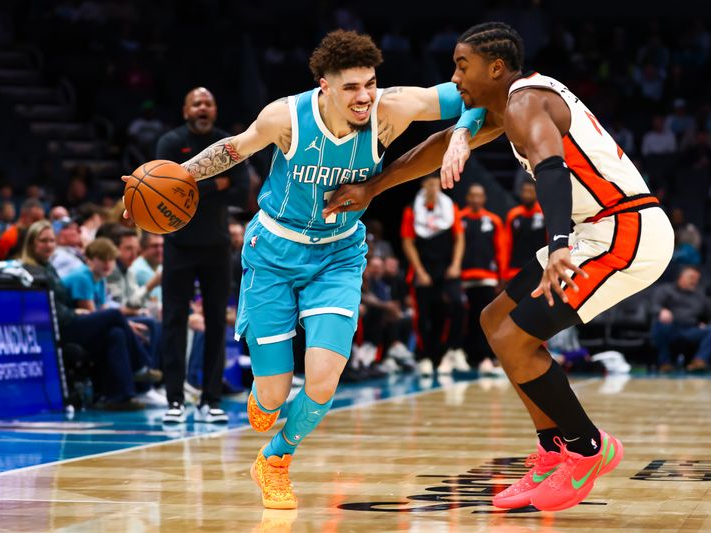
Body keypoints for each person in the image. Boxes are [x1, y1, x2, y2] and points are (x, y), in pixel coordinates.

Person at [123, 29, 484, 509]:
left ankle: (274, 461)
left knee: (321, 379)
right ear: (324, 85)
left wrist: (462, 132)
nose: (364, 96)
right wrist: (173, 178)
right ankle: (267, 400)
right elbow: (233, 148)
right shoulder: (286, 117)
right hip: (274, 253)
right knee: (271, 395)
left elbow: (476, 93)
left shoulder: (391, 110)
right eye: (351, 87)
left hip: (337, 255)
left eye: (370, 83)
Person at [325, 22, 674, 512]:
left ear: (495, 68)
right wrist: (372, 188)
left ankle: (587, 447)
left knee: (516, 338)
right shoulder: (507, 106)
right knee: (494, 321)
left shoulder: (525, 101)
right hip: (594, 230)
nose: (455, 76)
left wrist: (556, 245)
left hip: (624, 230)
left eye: (462, 66)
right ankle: (552, 450)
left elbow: (551, 168)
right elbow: (439, 145)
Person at [154, 87, 250, 426]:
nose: (203, 107)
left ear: (215, 109)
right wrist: (215, 185)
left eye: (208, 102)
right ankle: (175, 399)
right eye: (196, 102)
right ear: (185, 110)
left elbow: (241, 189)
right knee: (174, 322)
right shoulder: (169, 143)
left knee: (215, 324)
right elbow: (164, 189)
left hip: (216, 246)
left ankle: (211, 400)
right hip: (178, 244)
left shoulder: (229, 144)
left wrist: (190, 187)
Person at [19, 221, 158, 410]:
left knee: (115, 333)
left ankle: (120, 396)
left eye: (52, 240)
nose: (49, 245)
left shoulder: (49, 267)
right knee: (114, 316)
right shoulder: (33, 270)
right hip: (61, 326)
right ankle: (141, 366)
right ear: (31, 243)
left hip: (70, 319)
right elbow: (52, 308)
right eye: (43, 240)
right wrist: (74, 311)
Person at [401, 175, 467, 376]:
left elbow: (459, 238)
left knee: (457, 305)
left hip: (447, 267)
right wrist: (419, 271)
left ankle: (449, 351)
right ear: (422, 185)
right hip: (424, 268)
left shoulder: (450, 206)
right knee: (423, 315)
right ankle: (425, 357)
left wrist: (456, 264)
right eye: (429, 183)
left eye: (436, 183)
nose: (433, 187)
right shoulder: (412, 208)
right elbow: (407, 241)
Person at [459, 183, 505, 375]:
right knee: (465, 320)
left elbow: (501, 249)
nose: (476, 199)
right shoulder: (459, 219)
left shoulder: (493, 220)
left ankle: (486, 357)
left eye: (479, 196)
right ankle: (467, 356)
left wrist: (501, 277)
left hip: (487, 278)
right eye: (472, 195)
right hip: (463, 278)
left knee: (486, 319)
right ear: (467, 198)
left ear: (484, 198)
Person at [651, 265, 711, 372]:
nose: (695, 281)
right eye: (692, 278)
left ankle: (698, 361)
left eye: (697, 279)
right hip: (672, 327)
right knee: (658, 326)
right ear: (681, 277)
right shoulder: (666, 290)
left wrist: (704, 323)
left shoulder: (700, 294)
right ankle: (665, 363)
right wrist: (661, 311)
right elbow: (653, 306)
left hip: (691, 329)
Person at [503, 180, 546, 280]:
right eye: (524, 191)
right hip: (516, 269)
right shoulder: (513, 214)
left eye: (530, 191)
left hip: (539, 267)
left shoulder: (544, 214)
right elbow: (506, 244)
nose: (527, 195)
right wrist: (504, 272)